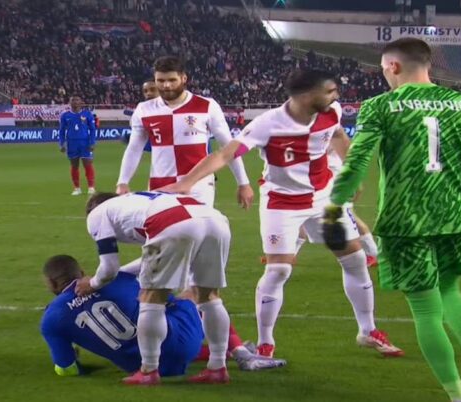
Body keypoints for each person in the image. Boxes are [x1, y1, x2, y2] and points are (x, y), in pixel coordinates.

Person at [160, 68, 402, 359]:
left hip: (323, 199)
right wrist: (186, 183)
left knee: (355, 259)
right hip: (282, 204)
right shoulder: (268, 124)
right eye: (329, 91)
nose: (335, 96)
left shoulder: (332, 112)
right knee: (278, 270)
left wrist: (351, 174)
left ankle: (368, 330)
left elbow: (337, 135)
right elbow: (225, 153)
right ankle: (266, 342)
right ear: (306, 95)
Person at [324, 38, 461, 402]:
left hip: (404, 220)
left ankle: (459, 397)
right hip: (453, 216)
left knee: (426, 309)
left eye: (383, 69)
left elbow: (357, 162)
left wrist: (334, 207)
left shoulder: (381, 106)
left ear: (393, 67)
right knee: (451, 293)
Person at [75, 191, 236, 385]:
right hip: (214, 219)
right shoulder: (134, 200)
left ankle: (148, 371)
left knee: (151, 299)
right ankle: (218, 367)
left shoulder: (97, 213)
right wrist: (123, 273)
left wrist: (93, 283)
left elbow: (109, 267)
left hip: (172, 223)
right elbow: (153, 253)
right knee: (208, 296)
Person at [40, 255, 285, 379]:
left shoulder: (51, 319)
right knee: (200, 293)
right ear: (82, 272)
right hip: (181, 344)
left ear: (50, 283)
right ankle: (239, 352)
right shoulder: (116, 279)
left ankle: (230, 352)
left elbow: (66, 370)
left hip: (140, 367)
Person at [117, 56, 252, 208]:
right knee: (161, 225)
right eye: (160, 81)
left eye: (172, 80)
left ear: (183, 78)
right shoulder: (144, 109)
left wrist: (243, 183)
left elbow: (229, 147)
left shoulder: (207, 106)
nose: (166, 85)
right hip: (159, 185)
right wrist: (123, 182)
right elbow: (134, 149)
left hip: (198, 185)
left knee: (196, 224)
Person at [59, 96, 97, 195]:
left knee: (87, 163)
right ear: (69, 103)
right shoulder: (65, 115)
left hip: (85, 142)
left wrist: (92, 142)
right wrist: (61, 143)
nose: (75, 102)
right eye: (73, 100)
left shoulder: (87, 114)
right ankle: (77, 188)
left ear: (81, 103)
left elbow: (92, 129)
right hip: (72, 143)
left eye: (77, 100)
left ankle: (91, 187)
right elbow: (62, 131)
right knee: (74, 165)